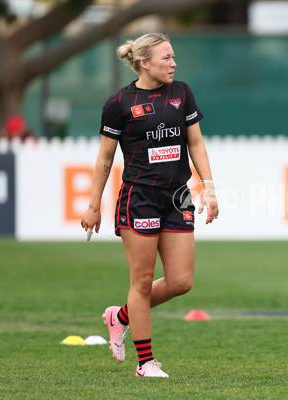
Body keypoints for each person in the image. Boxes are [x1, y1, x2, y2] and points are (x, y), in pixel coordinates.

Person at [80, 33, 219, 378]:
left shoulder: (182, 93)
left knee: (181, 281)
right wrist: (93, 205)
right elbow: (104, 159)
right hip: (139, 197)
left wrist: (209, 188)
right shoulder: (119, 103)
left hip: (178, 195)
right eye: (167, 58)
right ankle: (146, 363)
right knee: (141, 282)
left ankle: (120, 316)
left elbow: (196, 144)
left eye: (174, 57)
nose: (174, 63)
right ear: (145, 63)